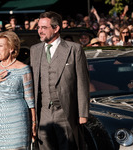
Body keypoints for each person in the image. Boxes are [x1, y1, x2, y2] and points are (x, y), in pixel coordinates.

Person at [30, 11, 90, 150]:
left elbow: (82, 82)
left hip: (66, 112)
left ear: (56, 28)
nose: (40, 31)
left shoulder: (74, 49)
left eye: (44, 28)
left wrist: (83, 114)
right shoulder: (35, 50)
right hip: (43, 112)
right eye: (39, 27)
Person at [0, 31, 36, 149]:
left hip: (17, 120)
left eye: (1, 46)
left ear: (11, 48)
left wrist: (34, 123)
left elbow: (30, 100)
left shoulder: (23, 69)